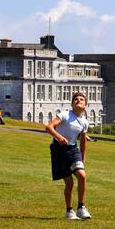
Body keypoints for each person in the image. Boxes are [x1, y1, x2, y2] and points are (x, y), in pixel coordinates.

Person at [47, 92, 91, 220]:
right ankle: (69, 211)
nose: (78, 100)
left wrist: (82, 158)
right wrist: (59, 137)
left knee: (82, 176)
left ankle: (81, 208)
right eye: (75, 99)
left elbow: (82, 141)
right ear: (72, 104)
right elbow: (49, 127)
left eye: (81, 99)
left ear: (85, 105)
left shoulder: (84, 122)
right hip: (58, 150)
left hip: (73, 150)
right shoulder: (65, 115)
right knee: (70, 183)